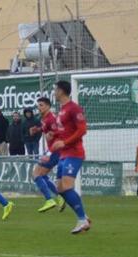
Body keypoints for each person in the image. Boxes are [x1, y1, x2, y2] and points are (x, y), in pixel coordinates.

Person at [50, 80, 91, 234]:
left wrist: (64, 142)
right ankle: (84, 216)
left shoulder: (74, 108)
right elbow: (63, 131)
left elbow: (82, 130)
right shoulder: (62, 110)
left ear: (61, 91)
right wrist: (53, 137)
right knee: (60, 188)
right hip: (64, 154)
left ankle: (82, 219)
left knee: (66, 186)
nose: (54, 92)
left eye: (55, 89)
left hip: (74, 153)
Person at [30, 97, 65, 213]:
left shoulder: (51, 118)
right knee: (42, 175)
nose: (39, 108)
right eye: (38, 105)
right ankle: (60, 196)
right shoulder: (44, 118)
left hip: (55, 150)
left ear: (48, 106)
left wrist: (49, 152)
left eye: (41, 105)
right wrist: (37, 130)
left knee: (36, 174)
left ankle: (49, 200)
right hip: (52, 150)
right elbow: (47, 128)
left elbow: (59, 132)